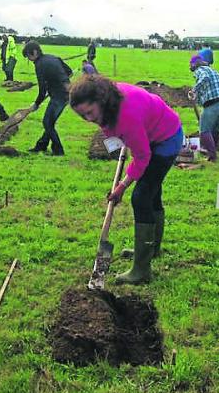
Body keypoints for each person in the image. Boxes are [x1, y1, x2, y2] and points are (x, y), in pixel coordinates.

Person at [69, 75, 183, 284]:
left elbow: (142, 157)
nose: (88, 119)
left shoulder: (125, 115)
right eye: (82, 115)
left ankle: (141, 270)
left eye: (89, 112)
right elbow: (122, 134)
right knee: (152, 194)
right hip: (151, 134)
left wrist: (122, 186)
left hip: (166, 139)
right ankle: (151, 250)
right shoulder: (109, 101)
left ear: (101, 101)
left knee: (141, 197)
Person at [23, 41, 72, 155]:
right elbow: (69, 72)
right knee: (50, 121)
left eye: (29, 56)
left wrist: (36, 104)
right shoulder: (53, 57)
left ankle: (58, 150)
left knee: (47, 123)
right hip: (66, 95)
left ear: (34, 52)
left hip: (58, 96)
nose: (30, 60)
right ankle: (41, 145)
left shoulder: (39, 65)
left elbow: (42, 90)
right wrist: (59, 80)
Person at [189, 55, 219, 161]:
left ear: (194, 64)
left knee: (204, 131)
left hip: (214, 103)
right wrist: (195, 98)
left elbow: (204, 78)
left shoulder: (200, 70)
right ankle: (214, 150)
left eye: (190, 64)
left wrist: (193, 90)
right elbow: (203, 92)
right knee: (214, 129)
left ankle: (212, 157)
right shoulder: (213, 70)